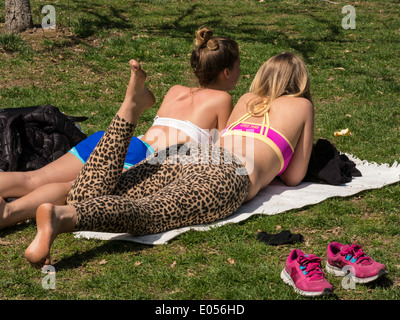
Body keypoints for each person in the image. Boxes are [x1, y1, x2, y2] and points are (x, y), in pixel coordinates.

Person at [24, 51, 314, 267]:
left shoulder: (247, 99)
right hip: (230, 171)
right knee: (152, 211)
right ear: (301, 81)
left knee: (86, 193)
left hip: (189, 152)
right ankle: (62, 217)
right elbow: (294, 176)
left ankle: (130, 110)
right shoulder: (302, 105)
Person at [0, 27, 240, 230]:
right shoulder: (222, 100)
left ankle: (132, 105)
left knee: (33, 178)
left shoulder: (176, 90)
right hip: (142, 159)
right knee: (70, 191)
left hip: (115, 139)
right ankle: (9, 213)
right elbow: (222, 152)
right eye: (238, 67)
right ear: (227, 71)